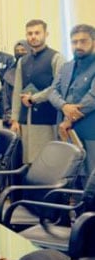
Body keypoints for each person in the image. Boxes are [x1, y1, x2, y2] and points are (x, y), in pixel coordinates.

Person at [10, 20, 63, 163]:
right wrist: (14, 119)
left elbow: (57, 87)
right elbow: (17, 91)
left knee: (46, 160)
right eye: (30, 33)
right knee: (27, 160)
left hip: (47, 118)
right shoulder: (23, 61)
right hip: (25, 120)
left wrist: (35, 98)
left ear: (46, 34)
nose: (33, 36)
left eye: (37, 33)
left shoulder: (56, 57)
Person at [49, 23, 95, 175]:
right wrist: (64, 106)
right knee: (68, 171)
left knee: (90, 173)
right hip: (65, 128)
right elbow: (52, 92)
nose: (78, 45)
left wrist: (70, 117)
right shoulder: (66, 66)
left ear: (93, 42)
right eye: (74, 42)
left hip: (89, 128)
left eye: (83, 41)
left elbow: (93, 97)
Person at [2, 40, 32, 128]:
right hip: (12, 119)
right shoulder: (9, 73)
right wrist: (10, 116)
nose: (20, 53)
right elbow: (5, 97)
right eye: (17, 51)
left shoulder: (36, 71)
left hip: (33, 117)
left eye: (23, 50)